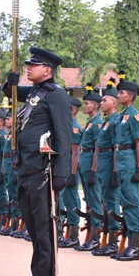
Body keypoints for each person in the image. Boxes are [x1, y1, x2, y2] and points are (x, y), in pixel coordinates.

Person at [5, 47, 71, 276]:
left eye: (33, 65)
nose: (28, 69)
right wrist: (8, 82)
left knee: (45, 233)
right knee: (34, 231)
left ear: (48, 69)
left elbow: (64, 137)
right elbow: (9, 92)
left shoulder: (57, 96)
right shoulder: (34, 92)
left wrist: (61, 174)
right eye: (27, 65)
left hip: (44, 171)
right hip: (27, 169)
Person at [112, 72, 139, 261]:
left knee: (133, 201)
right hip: (122, 160)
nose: (118, 96)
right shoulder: (120, 116)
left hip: (131, 161)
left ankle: (135, 246)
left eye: (122, 93)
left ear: (130, 96)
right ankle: (130, 243)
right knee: (125, 201)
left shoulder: (135, 116)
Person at [91, 79, 121, 257]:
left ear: (114, 103)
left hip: (110, 164)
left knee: (111, 200)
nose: (101, 103)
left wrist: (115, 171)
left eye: (104, 100)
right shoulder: (107, 121)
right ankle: (107, 240)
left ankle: (113, 241)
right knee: (106, 200)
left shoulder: (115, 120)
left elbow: (117, 147)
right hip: (103, 164)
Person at [74, 84, 103, 252]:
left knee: (94, 201)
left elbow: (98, 149)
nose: (84, 106)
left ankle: (96, 237)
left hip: (91, 167)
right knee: (90, 202)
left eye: (87, 104)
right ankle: (91, 236)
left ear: (95, 106)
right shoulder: (90, 123)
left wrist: (93, 171)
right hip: (84, 166)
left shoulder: (97, 123)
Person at [59, 94, 83, 248]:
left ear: (73, 111)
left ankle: (74, 235)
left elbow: (75, 153)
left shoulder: (74, 128)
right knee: (64, 199)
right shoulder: (66, 126)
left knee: (71, 199)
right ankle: (62, 232)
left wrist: (73, 174)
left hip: (70, 167)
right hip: (64, 166)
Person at [0, 109, 21, 236]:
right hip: (8, 167)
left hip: (14, 168)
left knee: (16, 196)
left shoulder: (17, 134)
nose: (6, 121)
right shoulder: (9, 134)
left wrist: (16, 172)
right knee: (11, 196)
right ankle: (12, 222)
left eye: (8, 118)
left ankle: (17, 223)